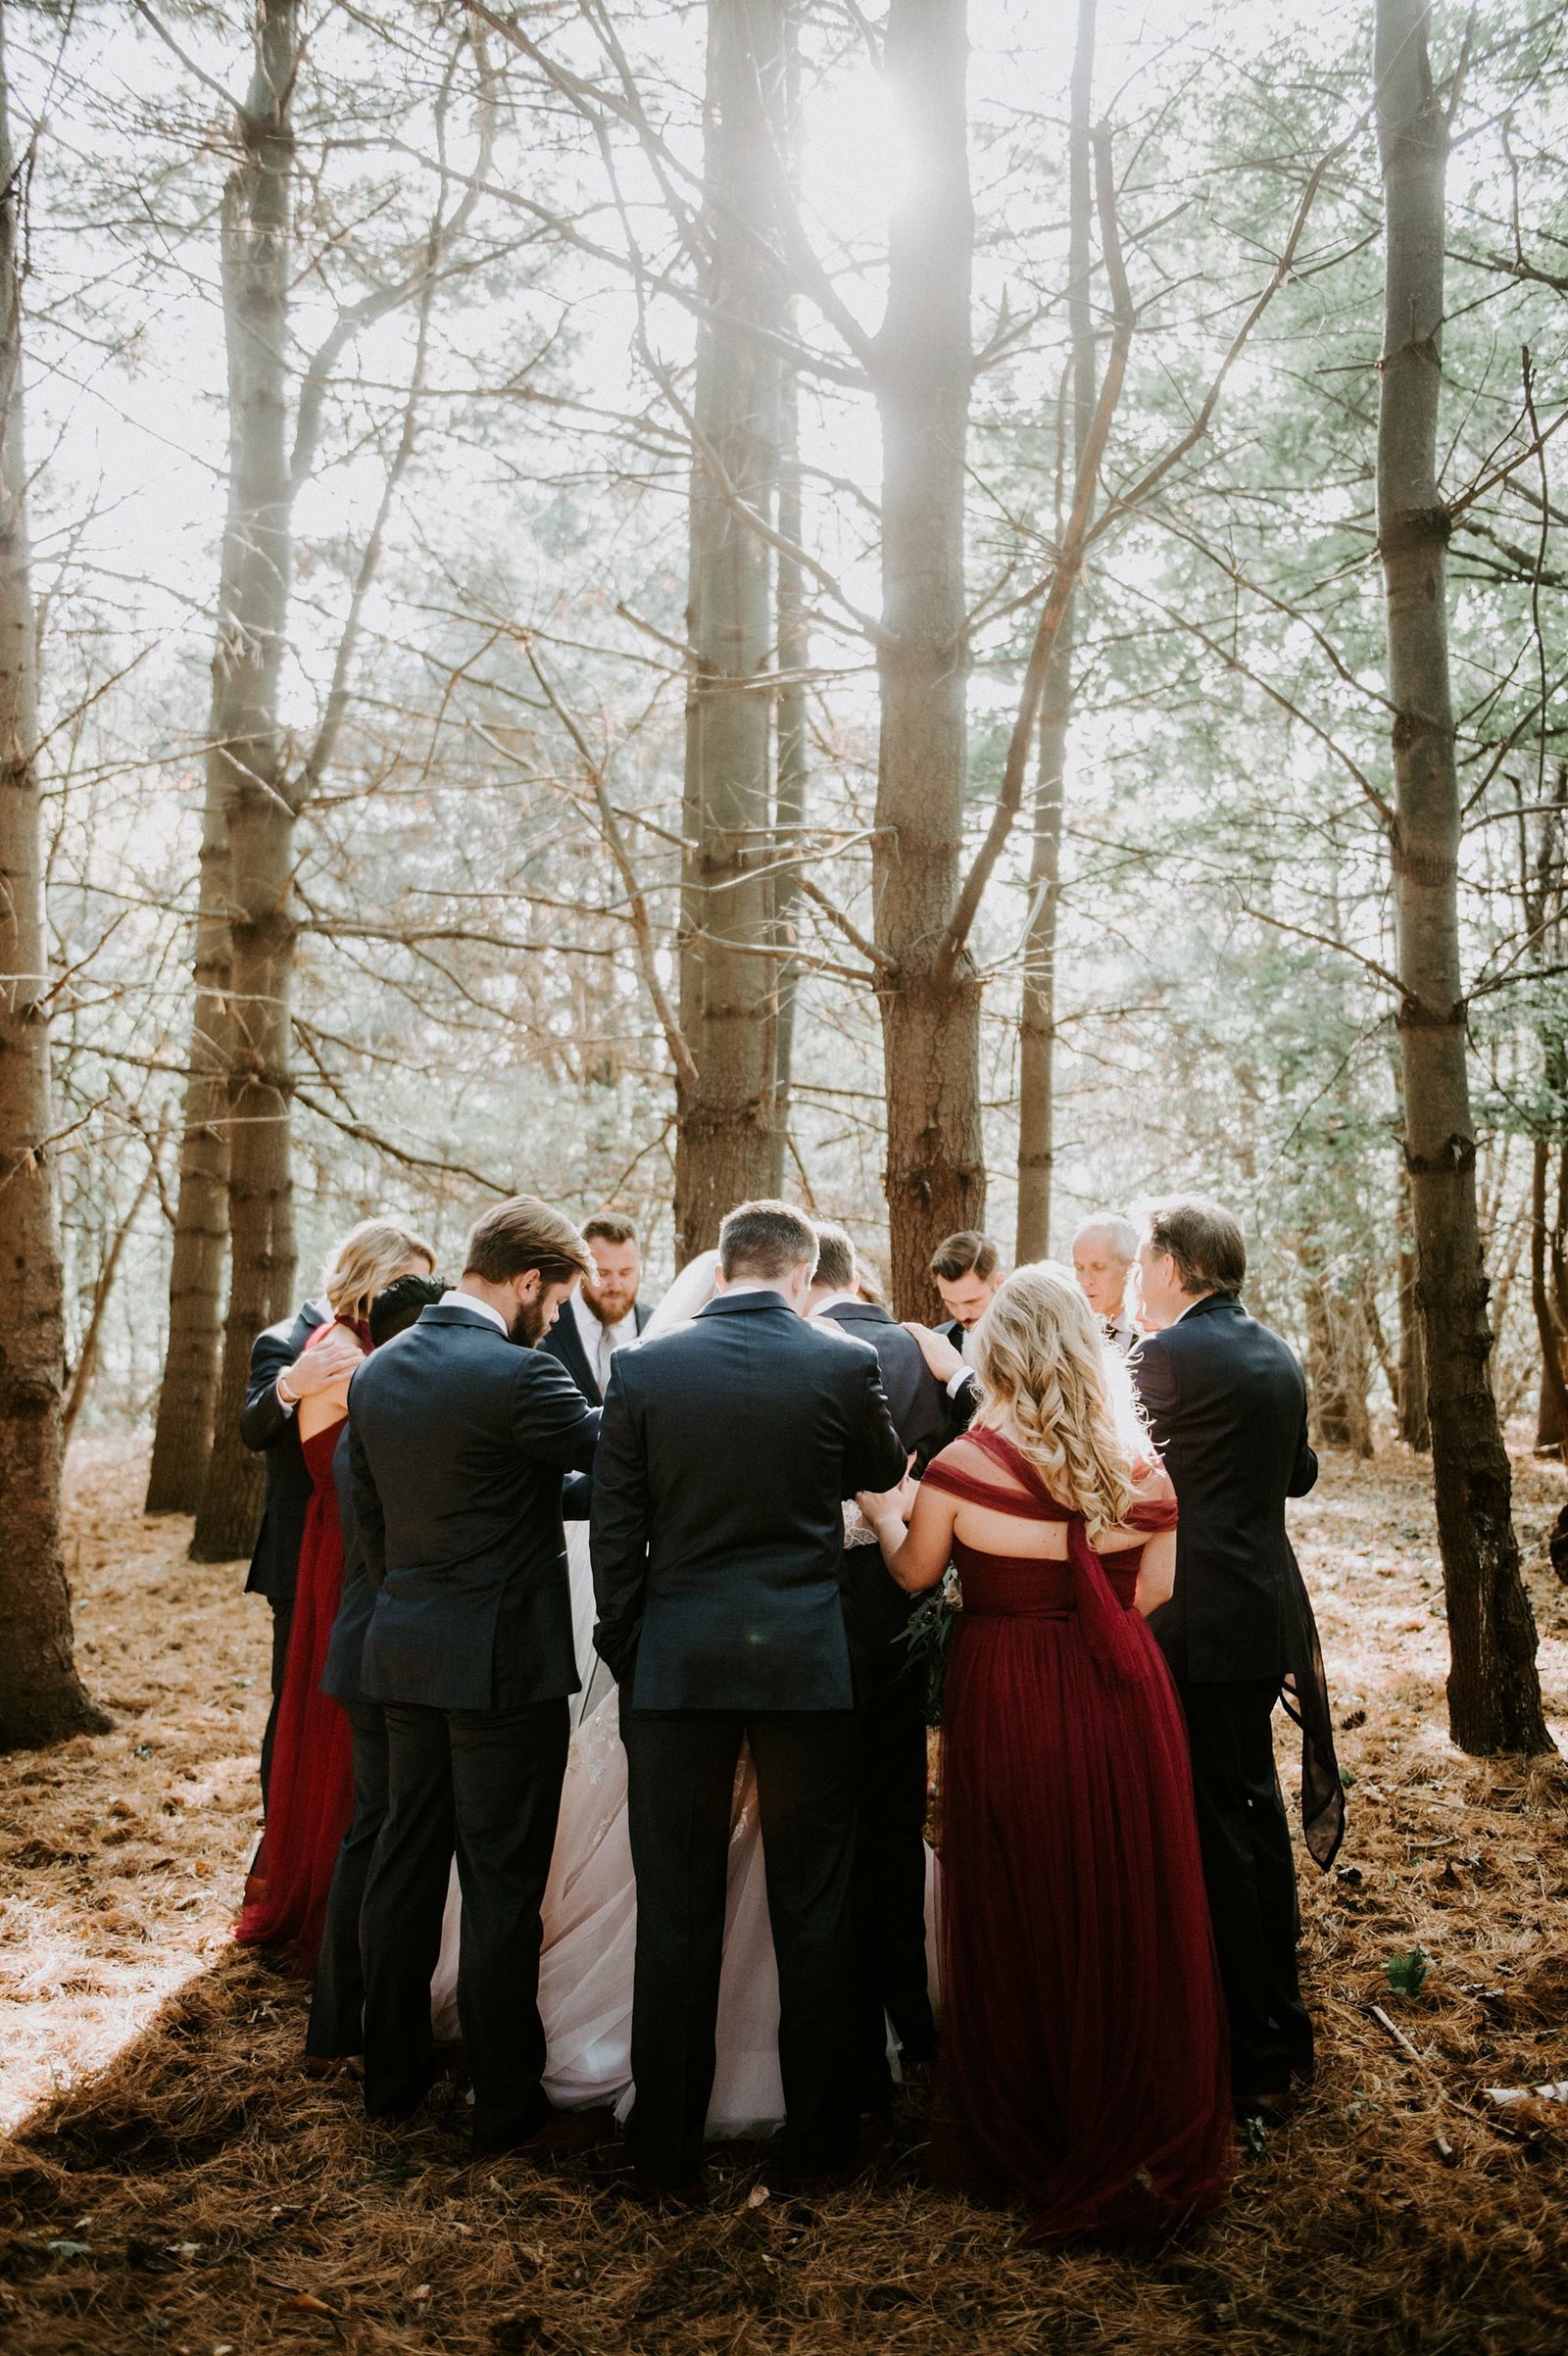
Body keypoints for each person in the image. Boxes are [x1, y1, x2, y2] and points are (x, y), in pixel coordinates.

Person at [858, 1263, 1232, 2240]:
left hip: (1007, 1690)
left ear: (995, 1352)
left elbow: (912, 1576)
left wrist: (880, 1505)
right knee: (1121, 1891)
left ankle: (1029, 2119)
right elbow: (1151, 1593)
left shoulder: (959, 1469)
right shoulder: (1144, 1470)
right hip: (1119, 1691)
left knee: (1020, 1890)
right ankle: (1129, 2109)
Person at [591, 1200, 906, 2200]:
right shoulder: (838, 1364)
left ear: (724, 1267)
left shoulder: (644, 1368)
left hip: (677, 1665)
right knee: (810, 1903)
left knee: (674, 1907)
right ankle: (815, 2146)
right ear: (805, 1276)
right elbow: (881, 1475)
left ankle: (665, 2155)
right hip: (804, 1666)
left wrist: (633, 1646)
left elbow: (615, 1532)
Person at [349, 1196, 607, 2157]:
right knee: (501, 1881)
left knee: (404, 1863)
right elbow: (613, 1452)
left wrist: (414, 1608)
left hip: (405, 1651)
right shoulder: (519, 1375)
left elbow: (371, 1528)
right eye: (559, 1298)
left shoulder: (377, 1376)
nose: (558, 1319)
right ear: (530, 1280)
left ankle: (391, 2078)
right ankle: (502, 2101)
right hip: (503, 1669)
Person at [1131, 1198, 1344, 2120]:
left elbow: (1113, 1465)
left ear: (1175, 1265)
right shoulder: (1274, 1350)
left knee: (1217, 1825)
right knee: (1250, 1815)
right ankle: (1281, 2029)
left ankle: (1249, 2055)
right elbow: (1299, 1472)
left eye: (1143, 1261)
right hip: (1263, 1614)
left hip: (1196, 1621)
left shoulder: (1166, 1356)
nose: (1138, 1278)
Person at [235, 1225, 435, 1962]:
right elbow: (257, 1426)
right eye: (405, 1281)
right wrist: (293, 1381)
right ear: (369, 1279)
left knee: (323, 1718)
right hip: (315, 1550)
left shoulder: (374, 1346)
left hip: (341, 1544)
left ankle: (306, 1864)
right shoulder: (316, 1346)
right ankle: (300, 1870)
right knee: (303, 1716)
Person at [806, 1222, 941, 2106]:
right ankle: (912, 2018)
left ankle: (838, 2031)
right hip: (899, 1607)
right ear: (862, 1277)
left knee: (820, 1822)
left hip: (810, 1610)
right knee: (894, 1817)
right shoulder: (924, 1355)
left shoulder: (802, 1350)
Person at [305, 1272, 446, 2064]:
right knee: (385, 1838)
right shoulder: (382, 1422)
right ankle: (364, 2028)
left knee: (373, 1834)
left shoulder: (375, 1416)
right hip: (382, 1652)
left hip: (366, 1646)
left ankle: (342, 2022)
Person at [540, 1210, 651, 1404]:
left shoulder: (657, 1326)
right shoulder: (545, 1324)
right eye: (603, 1273)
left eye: (626, 1273)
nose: (616, 1286)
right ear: (580, 1268)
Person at [1070, 1212, 1141, 1353]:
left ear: (1131, 1268)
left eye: (1098, 1268)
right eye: (1079, 1268)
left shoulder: (1152, 1329)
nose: (1085, 1281)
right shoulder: (1076, 1332)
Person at [928, 1230, 1004, 1352]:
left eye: (971, 1302)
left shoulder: (1034, 1342)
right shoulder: (936, 1343)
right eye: (950, 1303)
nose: (961, 1315)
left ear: (999, 1283)